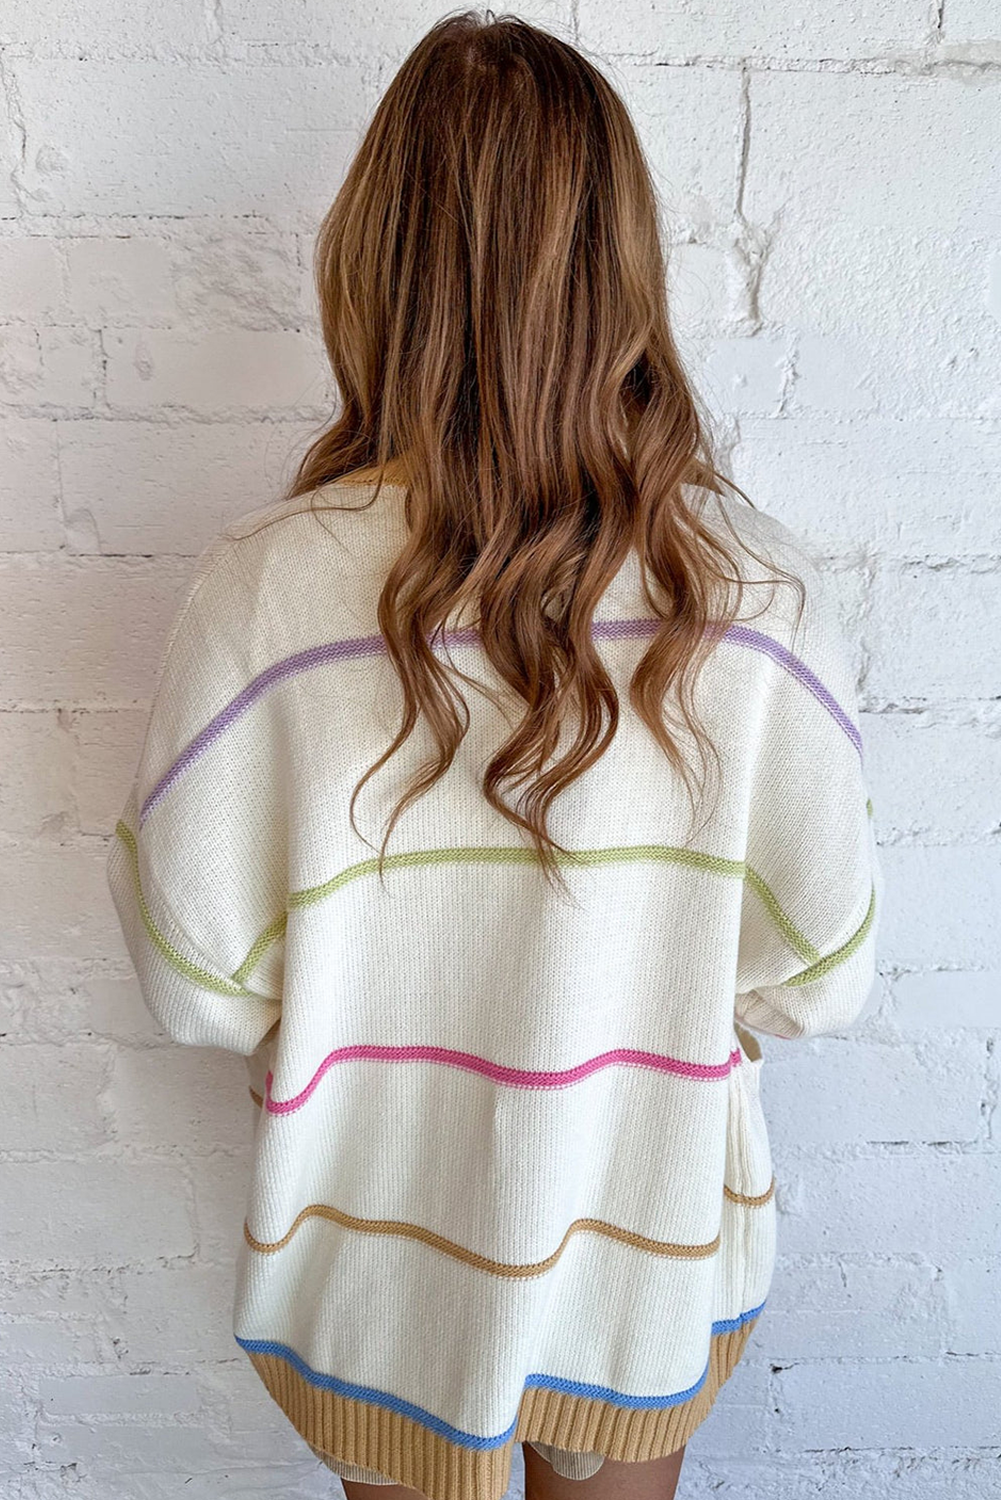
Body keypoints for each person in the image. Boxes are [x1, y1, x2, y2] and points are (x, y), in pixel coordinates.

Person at [106, 11, 881, 1500]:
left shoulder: (263, 592)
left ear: (373, 263)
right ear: (625, 265)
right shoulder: (758, 599)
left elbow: (195, 981)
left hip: (380, 1262)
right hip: (646, 1243)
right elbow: (818, 975)